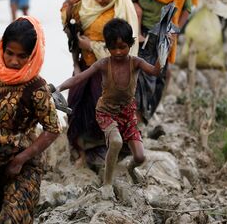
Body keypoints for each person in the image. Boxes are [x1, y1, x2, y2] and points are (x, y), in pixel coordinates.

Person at [54, 18, 162, 198]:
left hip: (127, 114)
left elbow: (156, 71)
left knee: (140, 158)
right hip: (106, 112)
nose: (118, 52)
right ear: (106, 46)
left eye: (122, 47)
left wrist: (163, 51)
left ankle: (131, 169)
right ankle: (107, 184)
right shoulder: (104, 64)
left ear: (131, 44)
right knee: (116, 141)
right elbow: (78, 79)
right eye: (113, 48)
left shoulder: (135, 63)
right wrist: (58, 88)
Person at [0, 16, 60, 224]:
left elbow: (53, 128)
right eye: (9, 53)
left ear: (32, 55)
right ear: (1, 48)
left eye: (21, 56)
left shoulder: (37, 88)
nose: (14, 61)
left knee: (12, 219)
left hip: (22, 164)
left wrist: (21, 159)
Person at [68, 0, 139, 168]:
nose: (99, 0)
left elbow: (122, 48)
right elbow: (74, 29)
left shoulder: (122, 11)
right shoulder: (86, 2)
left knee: (102, 108)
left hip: (110, 70)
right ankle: (82, 150)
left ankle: (106, 150)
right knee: (77, 105)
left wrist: (92, 44)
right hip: (87, 64)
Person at [131, 0, 198, 124]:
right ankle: (134, 122)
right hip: (140, 31)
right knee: (139, 78)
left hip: (165, 33)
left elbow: (187, 8)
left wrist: (174, 31)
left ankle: (143, 118)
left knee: (157, 77)